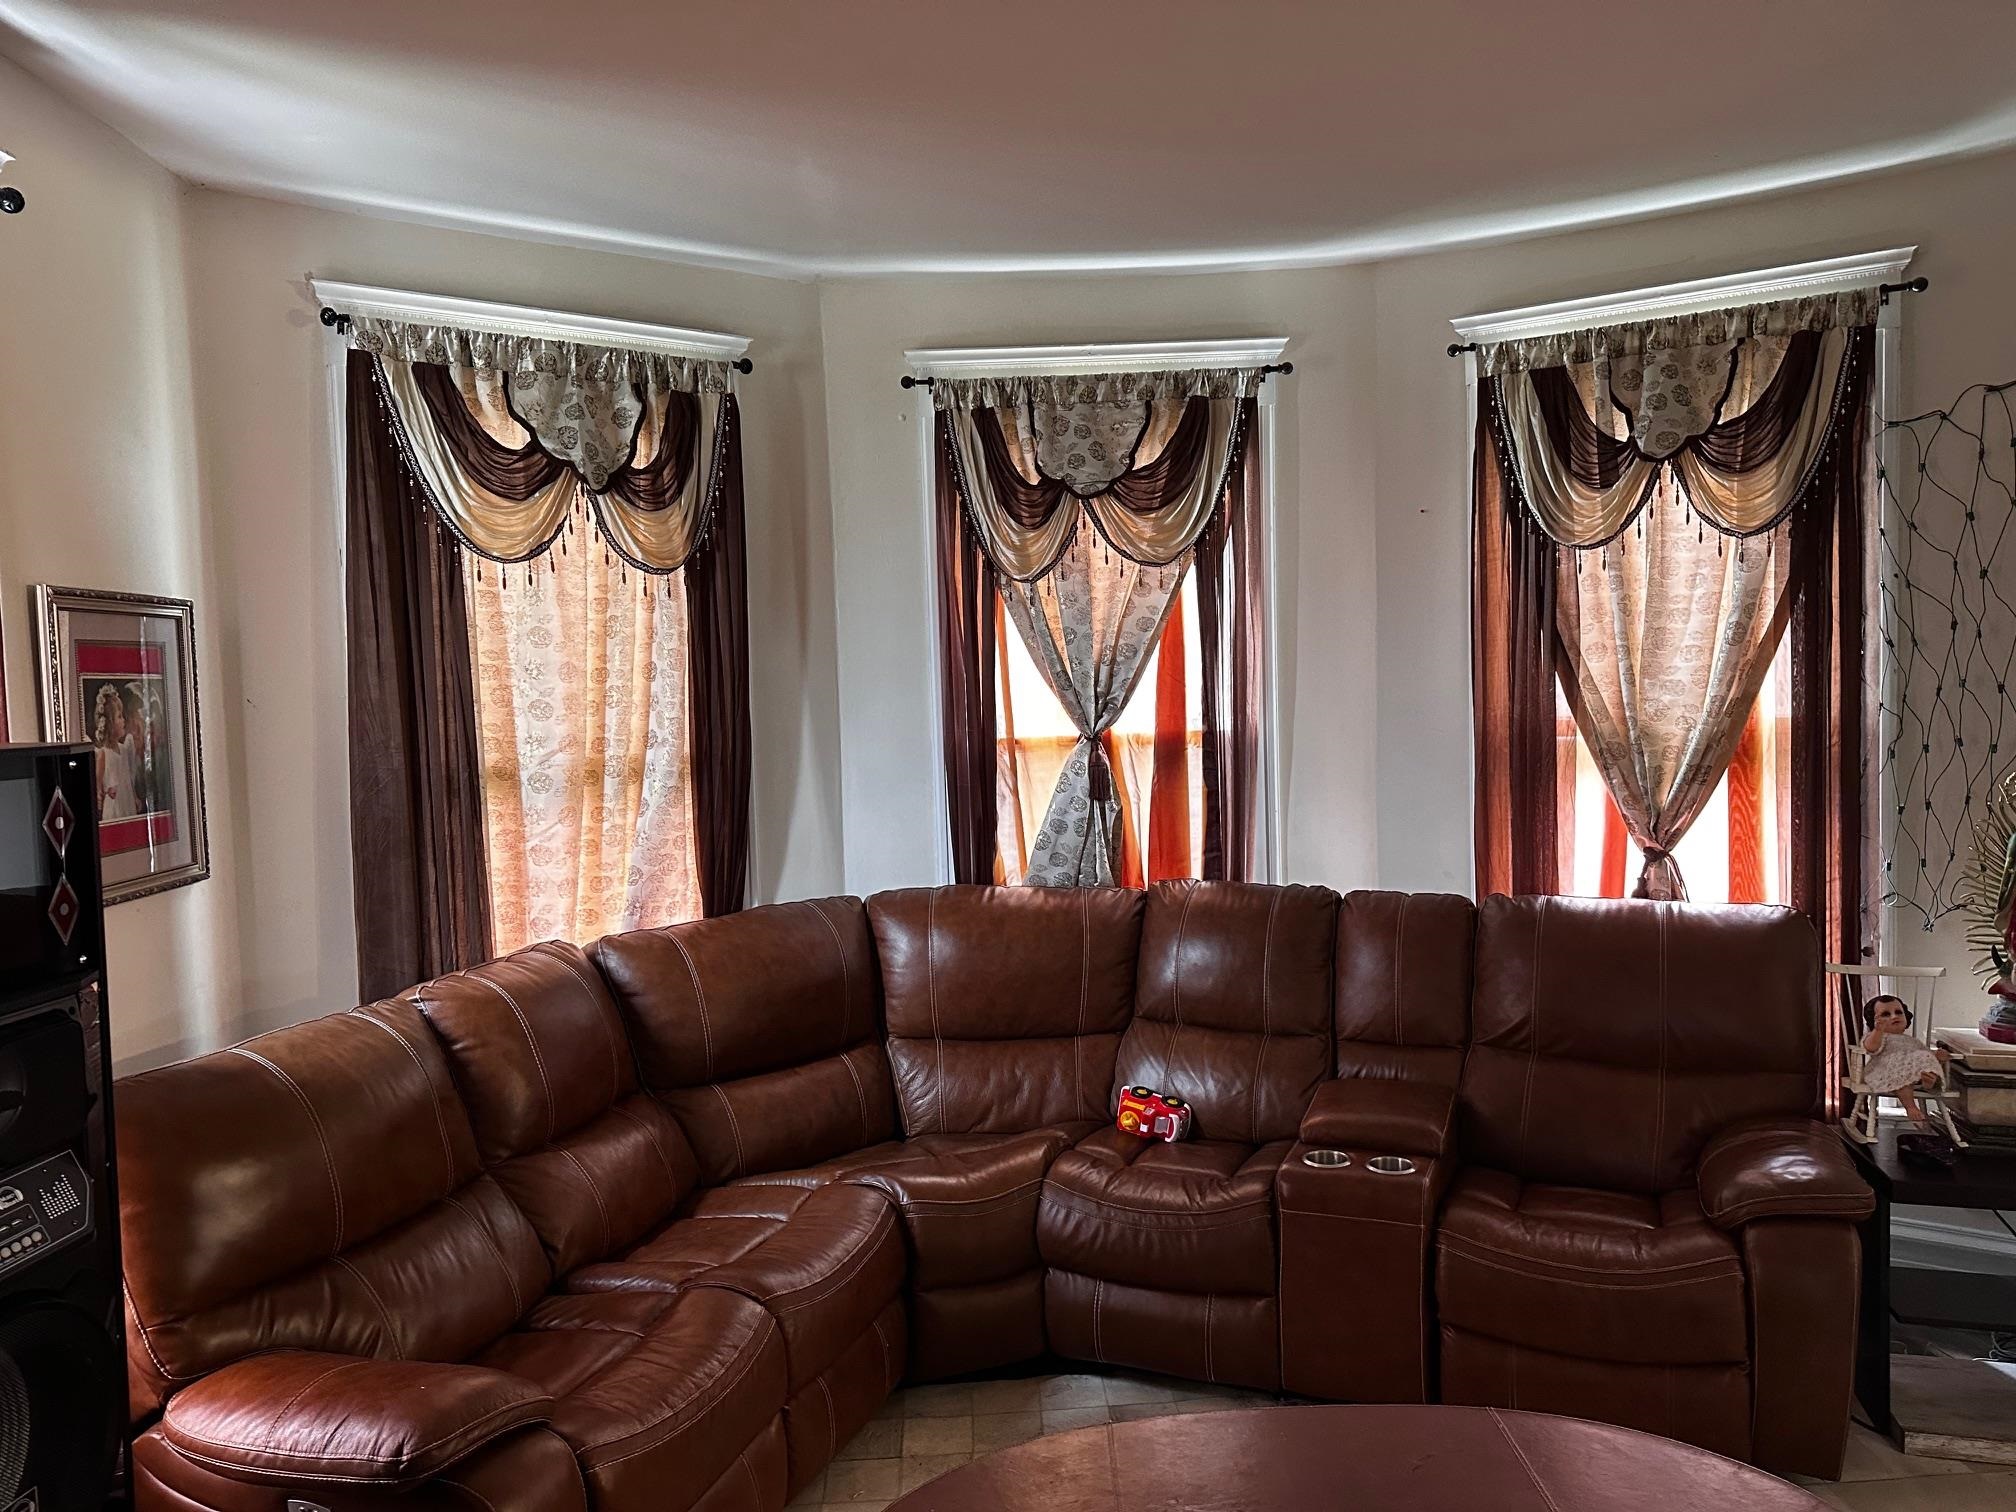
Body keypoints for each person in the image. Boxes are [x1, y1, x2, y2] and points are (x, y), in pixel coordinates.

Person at [1860, 994, 1950, 1125]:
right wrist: (1878, 1030)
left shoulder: (1911, 1041)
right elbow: (1870, 1047)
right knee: (1903, 1076)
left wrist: (1937, 1057)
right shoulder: (1880, 1037)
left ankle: (1928, 1081)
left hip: (1912, 1074)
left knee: (1926, 1058)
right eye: (1886, 1014)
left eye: (1898, 1012)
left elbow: (1924, 1054)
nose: (1894, 1016)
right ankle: (1910, 1107)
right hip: (1885, 1072)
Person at [91, 683, 134, 821]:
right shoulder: (104, 753)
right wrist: (104, 792)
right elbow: (97, 784)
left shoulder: (123, 749)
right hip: (114, 806)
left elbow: (126, 776)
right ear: (109, 723)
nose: (124, 721)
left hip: (126, 801)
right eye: (119, 717)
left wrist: (135, 797)